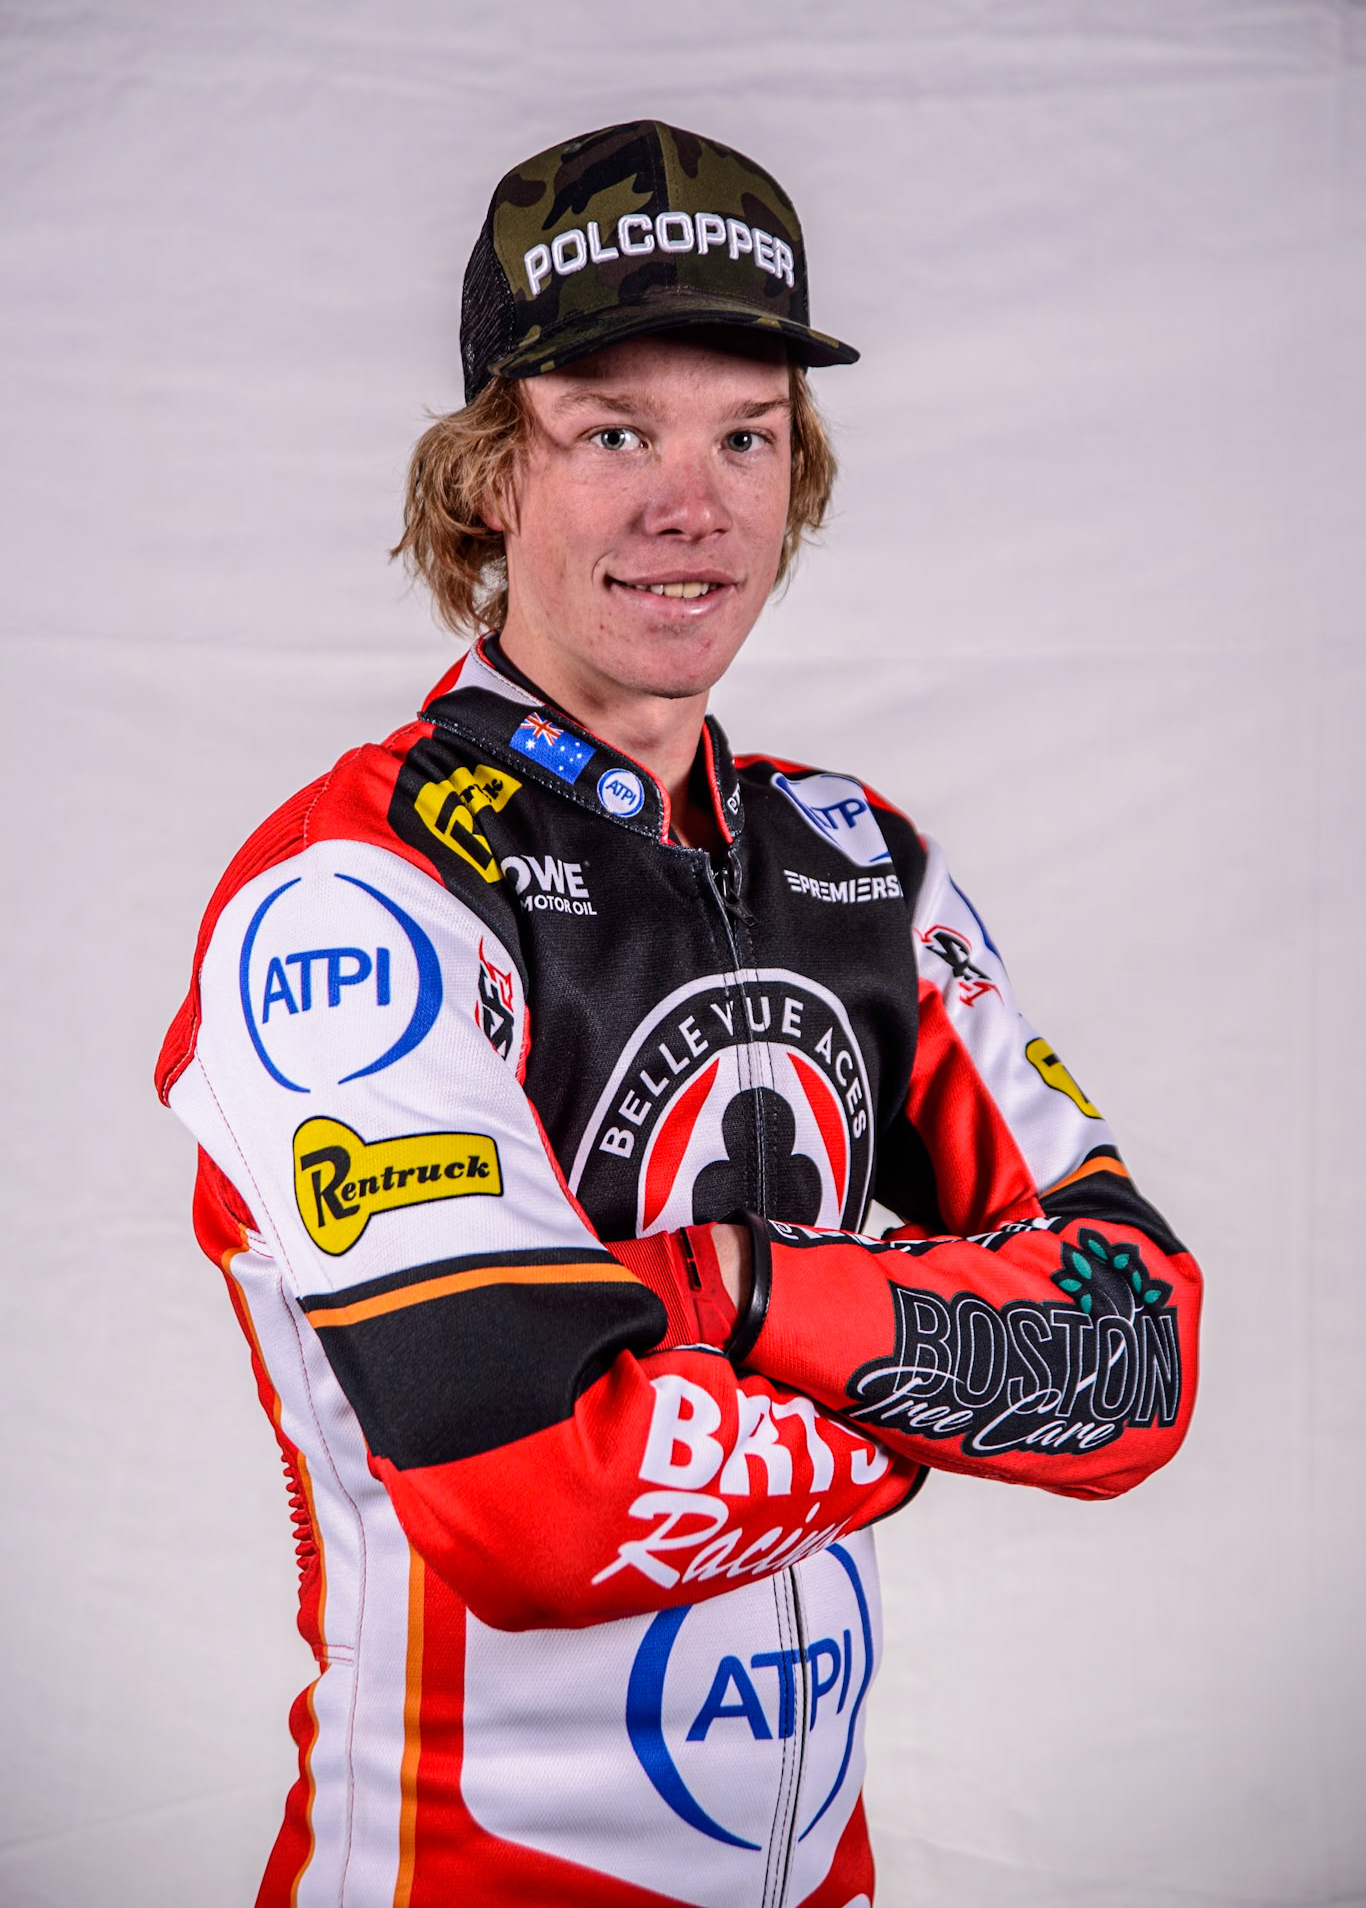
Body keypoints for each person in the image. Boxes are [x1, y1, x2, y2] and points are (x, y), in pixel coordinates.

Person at [156, 119, 1201, 1908]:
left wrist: (730, 1296)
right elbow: (536, 1508)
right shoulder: (356, 895)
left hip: (821, 1875)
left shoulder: (860, 865)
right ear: (490, 477)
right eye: (613, 434)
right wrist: (928, 1396)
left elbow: (1136, 1361)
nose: (689, 504)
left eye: (747, 436)